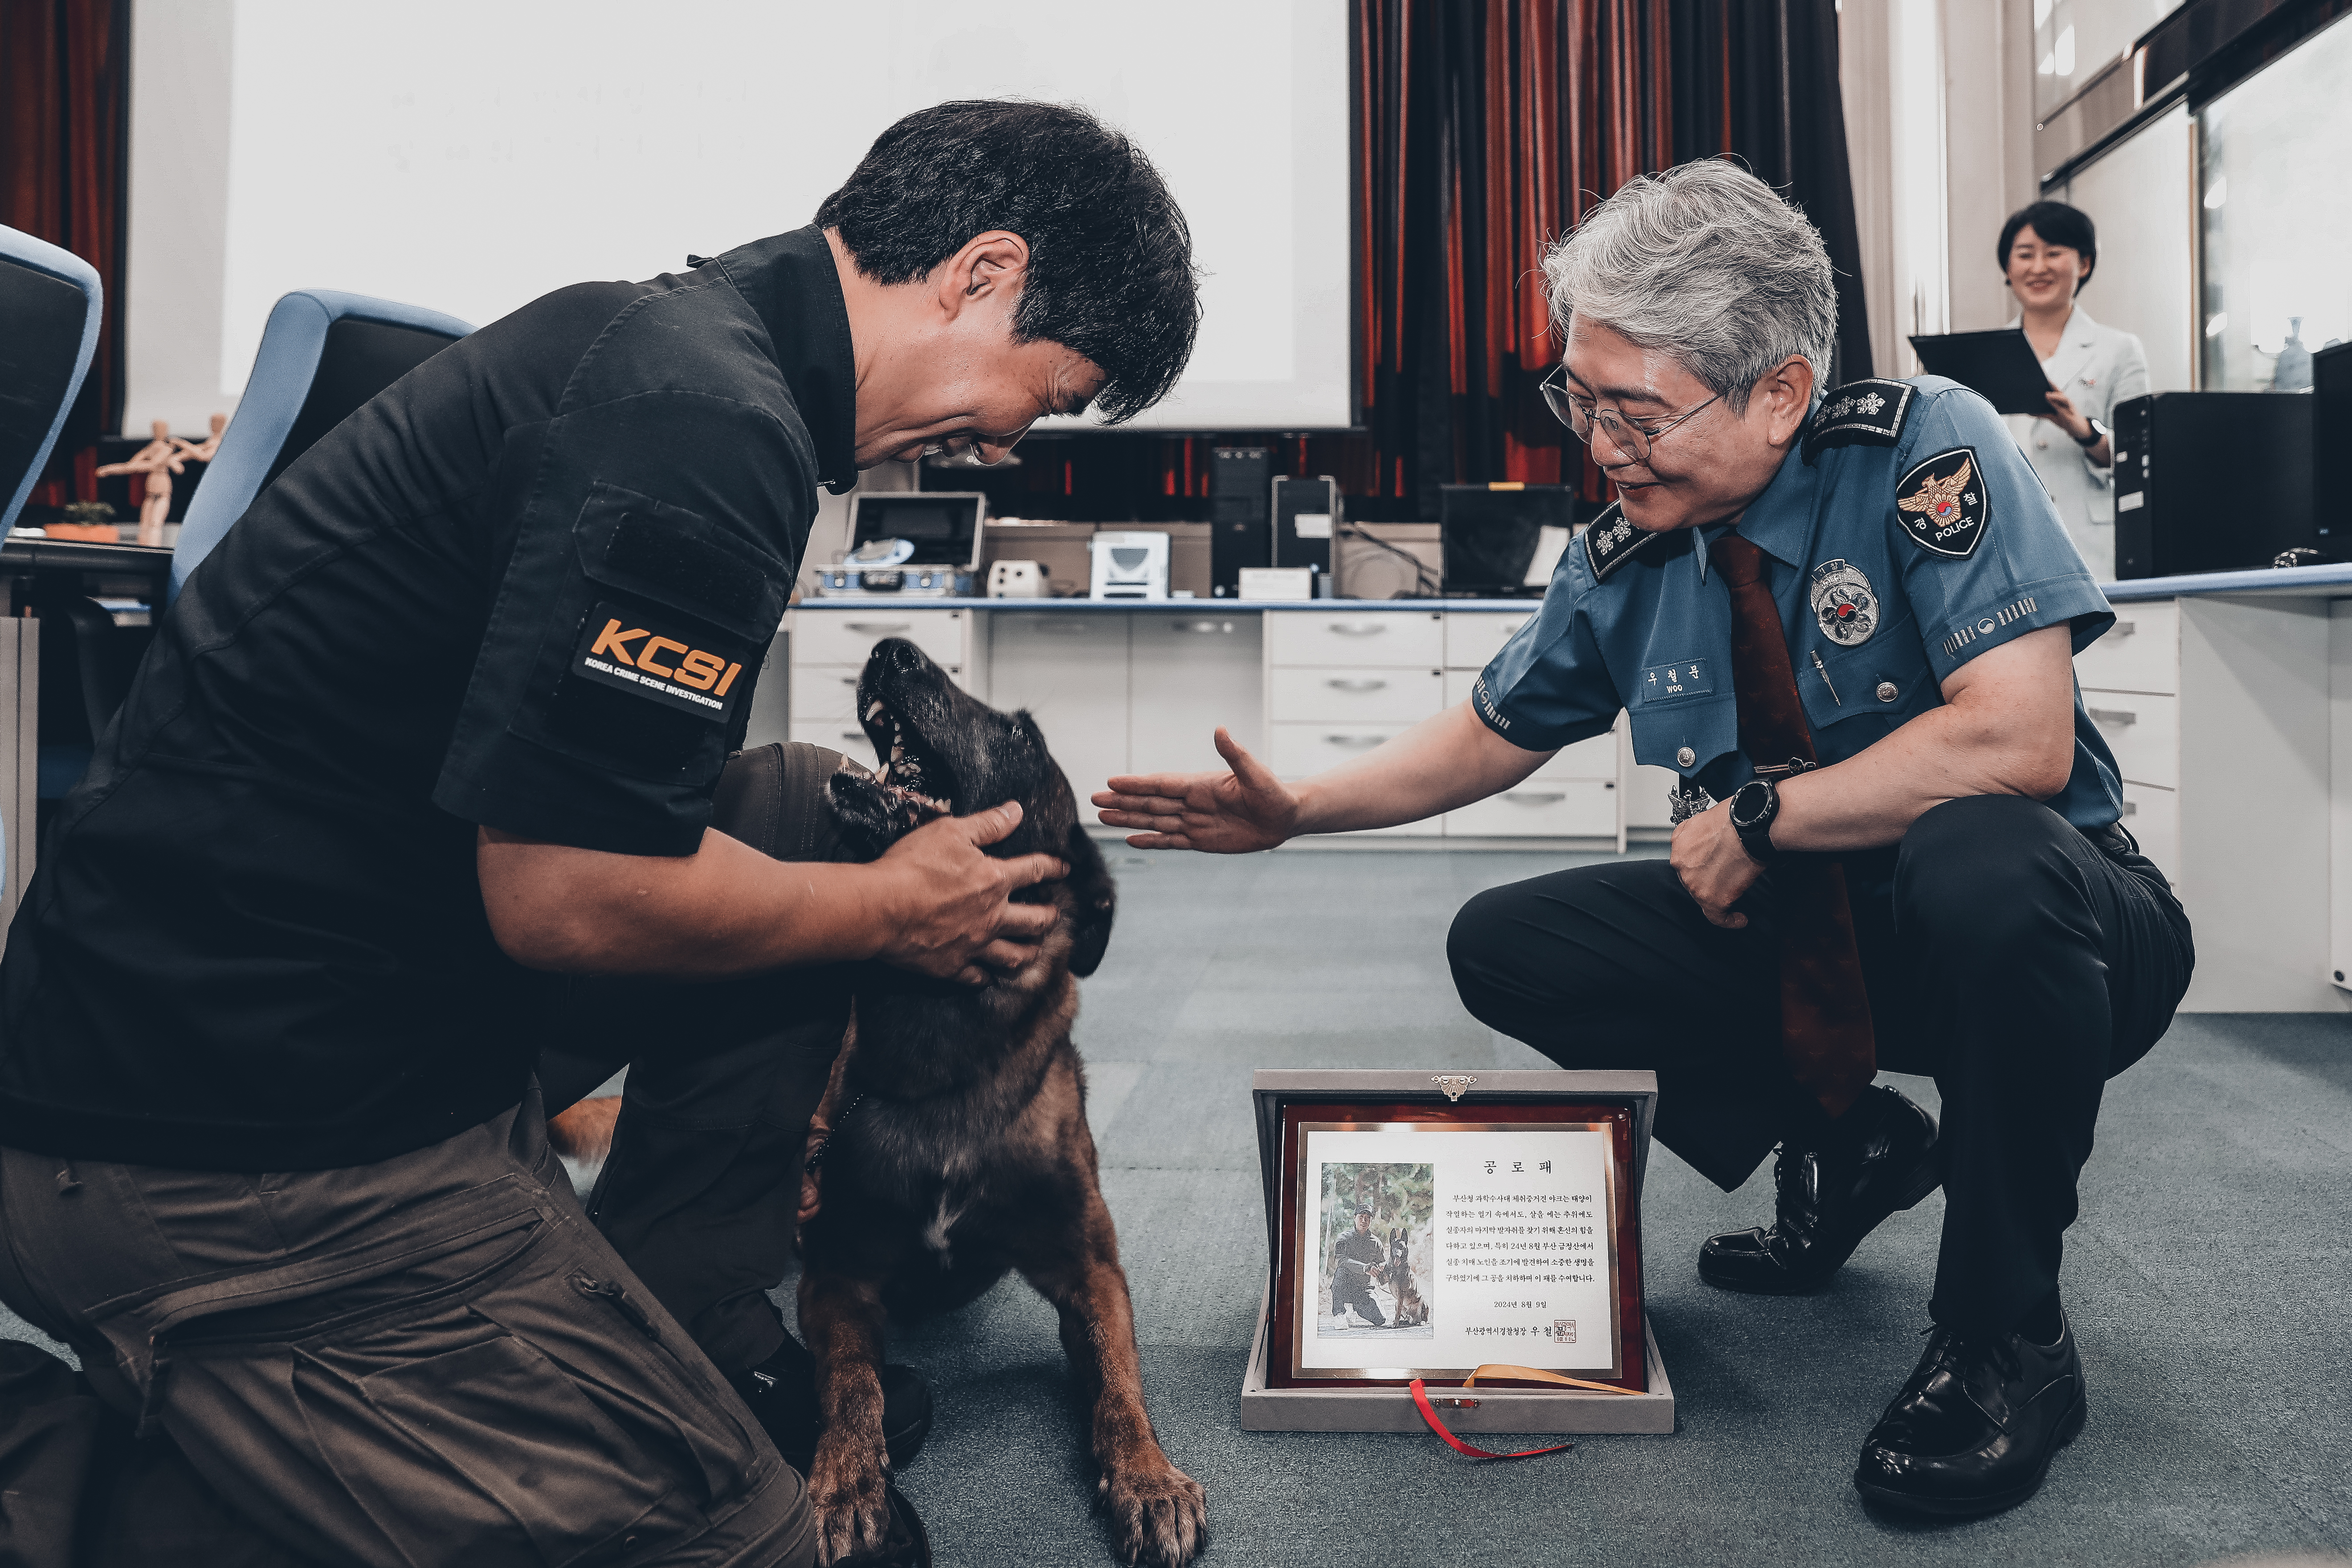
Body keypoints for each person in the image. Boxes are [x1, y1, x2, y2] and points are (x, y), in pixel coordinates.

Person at [0, 99, 1199, 1567]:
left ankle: (661, 1317)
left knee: (804, 810)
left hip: (293, 1021)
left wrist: (867, 876)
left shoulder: (672, 350)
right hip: (228, 1152)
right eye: (1047, 392)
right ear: (980, 274)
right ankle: (73, 1466)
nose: (1011, 436)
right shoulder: (710, 433)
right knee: (787, 1550)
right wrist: (899, 914)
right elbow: (569, 894)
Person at [1097, 160, 2191, 1518]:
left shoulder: (1925, 446)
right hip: (1827, 939)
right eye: (1578, 396)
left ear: (1778, 392)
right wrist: (1297, 809)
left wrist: (1762, 815)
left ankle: (2005, 1336)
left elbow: (2014, 744)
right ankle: (1847, 1140)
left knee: (1980, 856)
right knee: (1509, 943)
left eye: (1633, 408)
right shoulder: (1625, 550)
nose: (1596, 441)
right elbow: (1490, 733)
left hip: (2064, 933)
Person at [1997, 200, 2148, 580]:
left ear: (2084, 263)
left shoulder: (2119, 350)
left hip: (2091, 547)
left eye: (2054, 253)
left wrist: (2083, 430)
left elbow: (2142, 457)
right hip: (2004, 543)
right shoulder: (1985, 353)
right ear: (2008, 268)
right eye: (2025, 255)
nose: (2038, 268)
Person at [1329, 1209, 1390, 1328]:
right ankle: (1340, 1313)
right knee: (1340, 1273)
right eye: (1361, 1217)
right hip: (1345, 1287)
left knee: (1380, 1320)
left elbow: (1382, 1262)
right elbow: (1342, 1260)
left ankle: (1352, 1308)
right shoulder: (1344, 1238)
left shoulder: (1376, 1243)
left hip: (1363, 1289)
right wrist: (1366, 1268)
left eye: (1368, 1218)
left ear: (1371, 1220)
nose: (1364, 1221)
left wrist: (1382, 1268)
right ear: (1355, 1218)